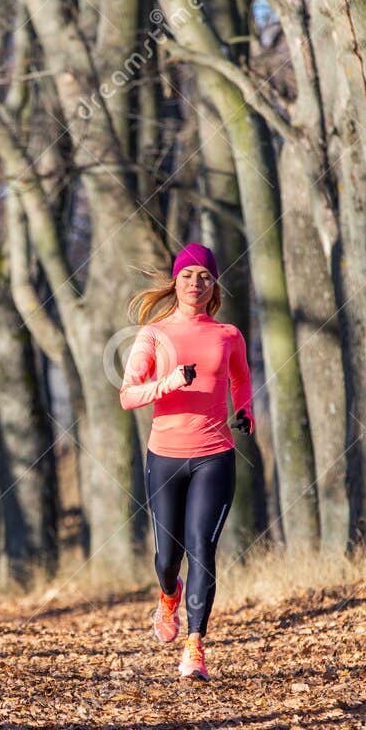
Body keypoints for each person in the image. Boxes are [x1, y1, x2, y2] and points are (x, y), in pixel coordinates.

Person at [117, 243, 254, 681]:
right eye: (188, 275)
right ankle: (167, 594)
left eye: (205, 276)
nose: (196, 283)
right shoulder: (153, 335)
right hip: (166, 458)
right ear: (175, 283)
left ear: (214, 285)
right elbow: (128, 395)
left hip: (215, 455)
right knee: (167, 559)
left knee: (203, 549)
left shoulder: (228, 334)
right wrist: (168, 382)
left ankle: (195, 647)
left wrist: (245, 409)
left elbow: (240, 377)